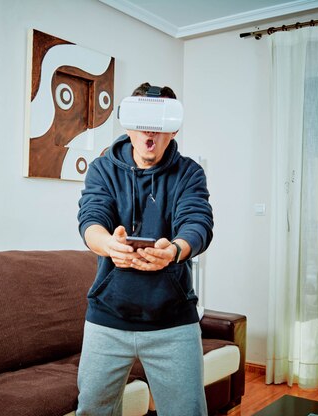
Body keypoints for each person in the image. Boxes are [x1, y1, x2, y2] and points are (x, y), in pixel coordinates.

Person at [76, 82, 214, 416]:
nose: (150, 130)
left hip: (172, 322)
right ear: (128, 123)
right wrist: (109, 244)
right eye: (143, 120)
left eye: (161, 121)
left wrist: (175, 250)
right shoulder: (102, 169)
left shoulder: (189, 173)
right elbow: (91, 219)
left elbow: (197, 223)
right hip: (108, 318)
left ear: (173, 127)